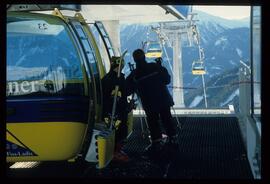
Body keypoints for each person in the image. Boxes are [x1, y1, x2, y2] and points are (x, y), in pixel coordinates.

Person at [126, 49, 178, 157]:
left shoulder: (135, 74)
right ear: (144, 57)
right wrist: (161, 67)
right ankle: (173, 139)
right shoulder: (155, 67)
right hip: (163, 99)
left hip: (149, 103)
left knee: (153, 122)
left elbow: (128, 90)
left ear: (135, 60)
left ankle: (157, 142)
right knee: (167, 118)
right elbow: (167, 80)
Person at [101, 56, 130, 162]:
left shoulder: (111, 78)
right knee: (117, 130)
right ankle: (114, 152)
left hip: (118, 108)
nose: (122, 67)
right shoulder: (112, 79)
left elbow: (124, 92)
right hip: (113, 110)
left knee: (120, 129)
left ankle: (117, 150)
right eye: (121, 65)